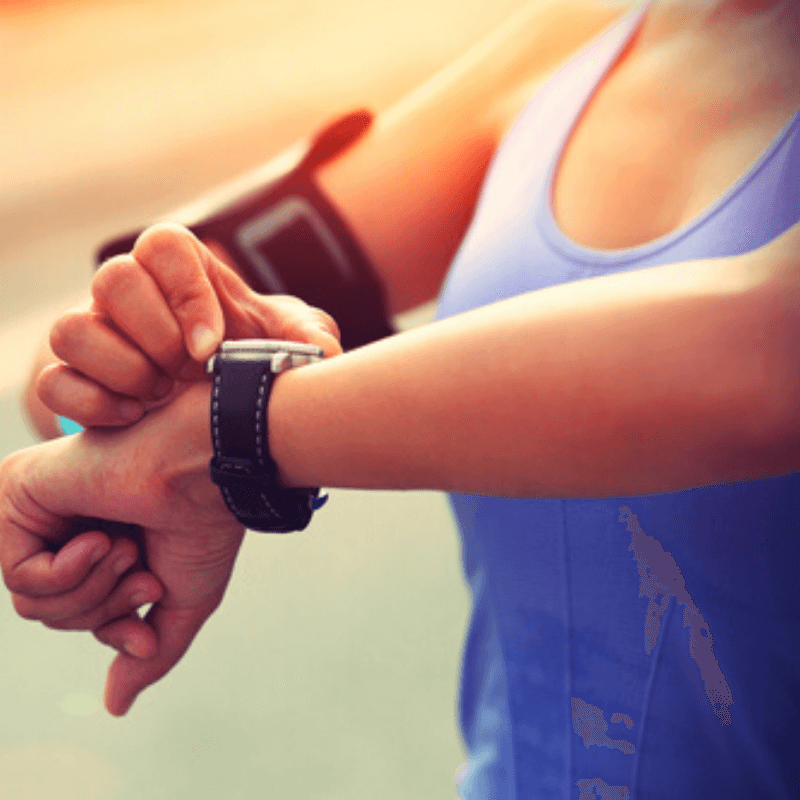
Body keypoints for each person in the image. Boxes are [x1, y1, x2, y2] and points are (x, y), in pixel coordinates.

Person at [3, 0, 800, 797]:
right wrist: (128, 387)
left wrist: (221, 439)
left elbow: (763, 358)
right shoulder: (586, 36)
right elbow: (69, 370)